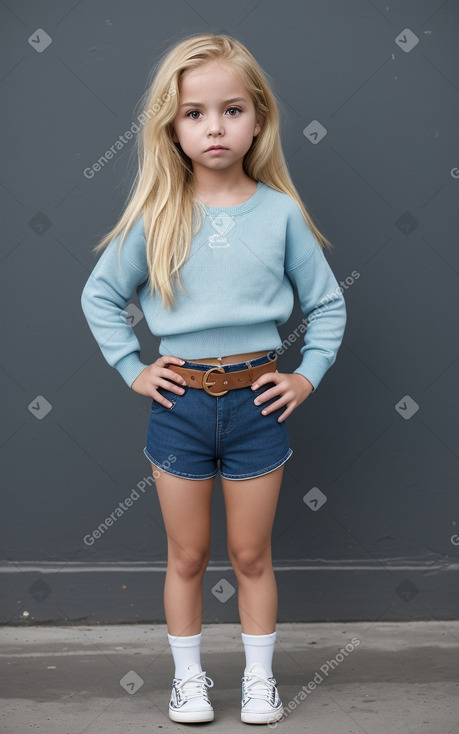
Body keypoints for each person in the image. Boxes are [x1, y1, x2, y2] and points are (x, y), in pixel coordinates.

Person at [81, 32, 347, 725]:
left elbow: (325, 304)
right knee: (189, 553)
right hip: (181, 408)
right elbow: (100, 296)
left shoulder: (280, 213)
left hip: (259, 405)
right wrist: (133, 369)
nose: (214, 127)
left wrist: (306, 375)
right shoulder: (156, 215)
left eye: (231, 110)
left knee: (251, 552)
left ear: (257, 117)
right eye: (194, 113)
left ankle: (259, 681)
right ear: (171, 127)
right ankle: (188, 680)